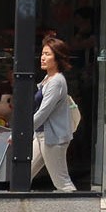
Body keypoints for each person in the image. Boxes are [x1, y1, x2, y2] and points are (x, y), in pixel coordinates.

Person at [29, 40, 75, 188]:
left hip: (53, 138)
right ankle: (17, 209)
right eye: (42, 53)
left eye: (47, 54)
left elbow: (43, 112)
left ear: (57, 58)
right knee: (22, 174)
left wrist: (21, 132)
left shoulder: (57, 82)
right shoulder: (46, 80)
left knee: (62, 182)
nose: (42, 57)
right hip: (41, 136)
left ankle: (78, 210)